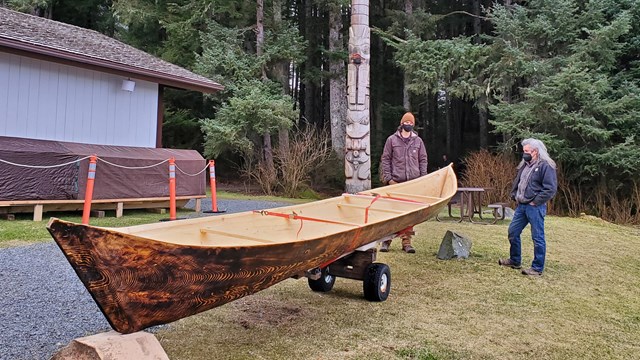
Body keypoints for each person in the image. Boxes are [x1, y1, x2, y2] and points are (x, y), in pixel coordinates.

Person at [498, 138, 557, 276]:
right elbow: (519, 182)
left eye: (526, 151)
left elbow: (550, 189)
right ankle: (515, 260)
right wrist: (514, 195)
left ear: (535, 152)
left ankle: (537, 268)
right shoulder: (525, 165)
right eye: (524, 151)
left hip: (535, 208)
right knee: (513, 232)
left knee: (537, 237)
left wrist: (535, 201)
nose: (524, 153)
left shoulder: (546, 166)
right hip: (521, 206)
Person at [379, 112, 428, 253]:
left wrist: (422, 178)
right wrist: (388, 179)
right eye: (407, 123)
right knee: (391, 214)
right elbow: (385, 160)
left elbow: (423, 160)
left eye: (411, 123)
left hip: (413, 184)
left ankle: (407, 243)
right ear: (402, 123)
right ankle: (386, 241)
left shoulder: (418, 141)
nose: (409, 125)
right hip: (396, 182)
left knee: (409, 216)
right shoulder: (391, 140)